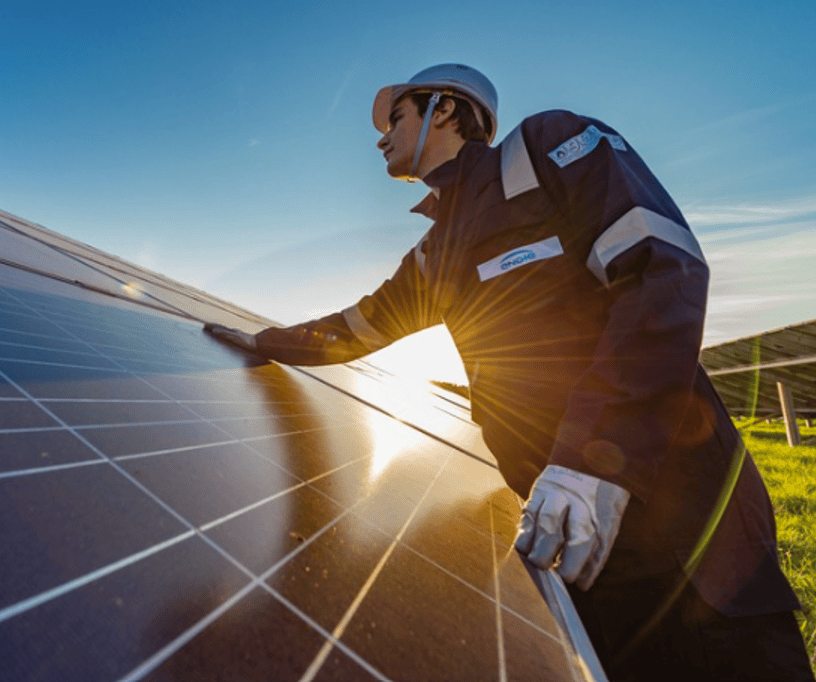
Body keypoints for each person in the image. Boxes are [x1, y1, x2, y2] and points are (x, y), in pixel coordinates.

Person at [204, 63, 813, 681]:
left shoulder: (548, 149)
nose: (382, 138)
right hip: (573, 547)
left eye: (395, 118)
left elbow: (662, 268)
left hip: (687, 537)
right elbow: (358, 327)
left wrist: (595, 462)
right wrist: (264, 341)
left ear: (443, 109)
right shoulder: (438, 248)